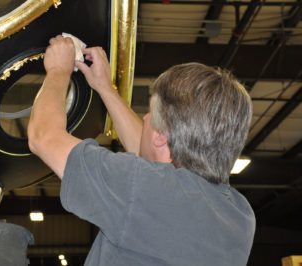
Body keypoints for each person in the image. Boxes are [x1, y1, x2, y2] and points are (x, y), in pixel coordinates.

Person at [27, 35, 256, 265]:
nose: (145, 118)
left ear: (161, 135)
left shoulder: (142, 191)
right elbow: (155, 156)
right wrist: (105, 88)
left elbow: (44, 136)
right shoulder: (239, 216)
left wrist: (58, 70)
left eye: (149, 113)